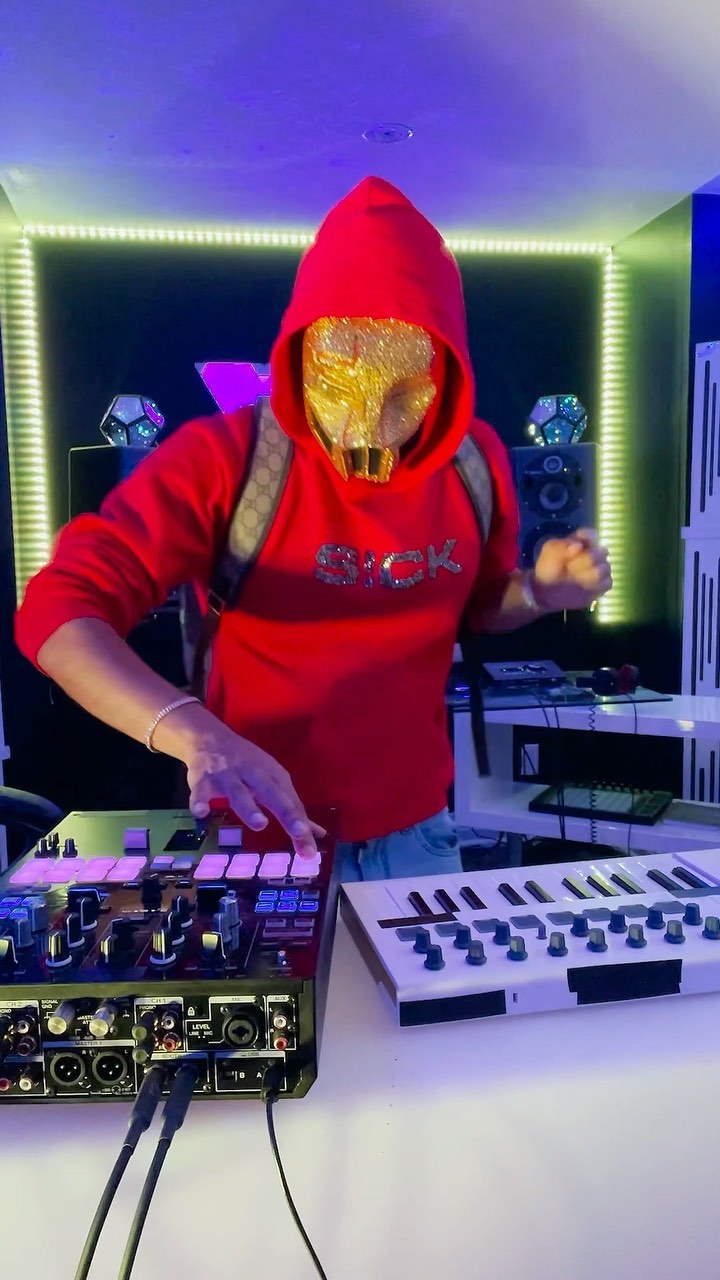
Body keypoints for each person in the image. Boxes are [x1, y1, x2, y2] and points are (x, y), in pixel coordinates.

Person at [14, 177, 611, 882]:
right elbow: (57, 610)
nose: (367, 426)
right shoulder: (225, 458)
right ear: (300, 358)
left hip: (419, 834)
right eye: (339, 383)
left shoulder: (473, 463)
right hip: (260, 832)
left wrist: (538, 592)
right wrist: (192, 731)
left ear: (443, 372)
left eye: (399, 394)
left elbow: (479, 606)